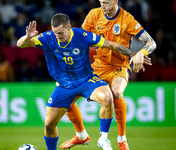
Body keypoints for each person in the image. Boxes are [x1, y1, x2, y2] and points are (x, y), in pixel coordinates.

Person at [17, 13, 148, 150]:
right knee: (49, 125)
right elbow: (20, 44)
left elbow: (111, 45)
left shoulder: (82, 35)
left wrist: (134, 55)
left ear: (69, 27)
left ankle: (103, 139)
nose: (58, 36)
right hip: (64, 85)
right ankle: (75, 138)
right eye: (55, 33)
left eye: (60, 33)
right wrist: (27, 37)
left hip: (87, 80)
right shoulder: (48, 37)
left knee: (108, 97)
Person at [60, 0, 157, 150]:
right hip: (98, 66)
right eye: (101, 2)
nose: (103, 6)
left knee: (117, 92)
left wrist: (140, 54)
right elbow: (80, 37)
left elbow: (151, 42)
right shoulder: (94, 14)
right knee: (66, 97)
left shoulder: (127, 19)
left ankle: (121, 140)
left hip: (119, 66)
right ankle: (81, 136)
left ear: (116, 1)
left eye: (106, 2)